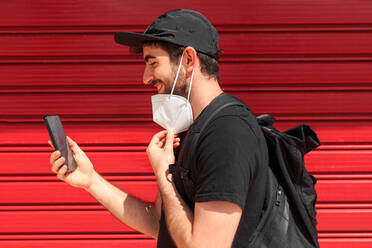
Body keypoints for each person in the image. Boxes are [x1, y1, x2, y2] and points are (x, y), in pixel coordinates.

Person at [49, 9, 269, 248]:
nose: (145, 78)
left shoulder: (227, 131)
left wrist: (164, 176)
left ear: (188, 60)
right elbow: (160, 223)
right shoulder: (190, 126)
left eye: (153, 63)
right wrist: (91, 180)